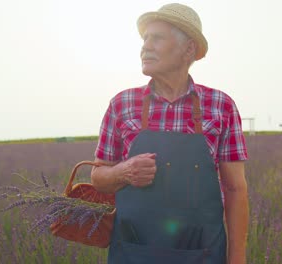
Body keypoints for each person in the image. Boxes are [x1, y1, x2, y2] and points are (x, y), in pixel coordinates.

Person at [91, 3, 249, 263]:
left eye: (157, 38)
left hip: (203, 254)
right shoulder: (121, 104)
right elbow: (98, 177)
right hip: (134, 253)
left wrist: (237, 258)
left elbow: (235, 189)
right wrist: (124, 171)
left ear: (188, 49)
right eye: (145, 39)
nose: (145, 46)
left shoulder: (221, 106)